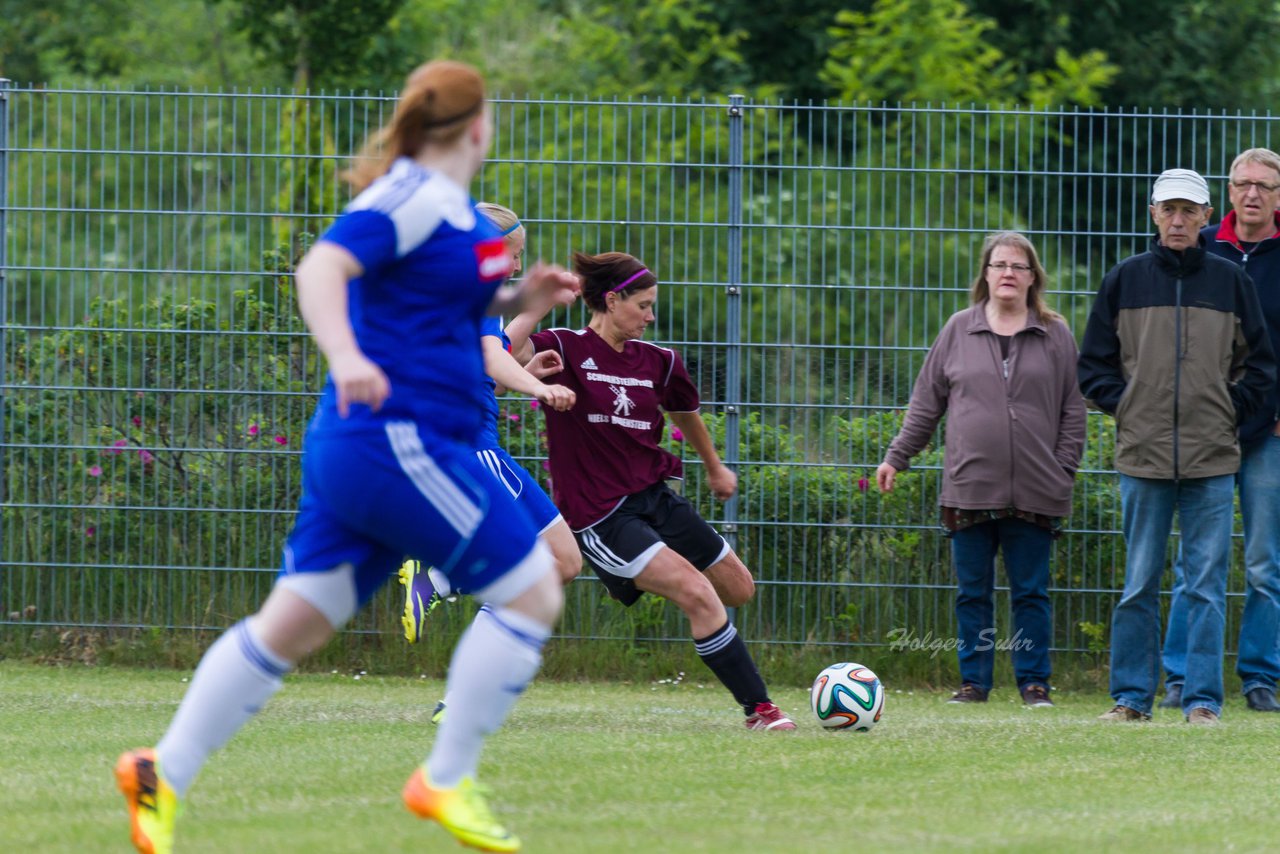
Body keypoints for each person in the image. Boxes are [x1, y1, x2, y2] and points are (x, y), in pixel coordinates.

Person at [114, 60, 581, 854]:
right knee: (537, 589)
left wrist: (523, 300)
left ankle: (162, 770)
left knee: (291, 624)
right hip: (398, 436)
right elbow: (322, 267)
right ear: (476, 126)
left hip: (363, 448)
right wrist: (345, 353)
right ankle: (444, 777)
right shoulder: (411, 196)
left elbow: (467, 310)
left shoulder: (467, 223)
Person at [513, 250, 797, 731]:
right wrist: (539, 305)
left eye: (652, 306)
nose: (651, 316)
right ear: (610, 300)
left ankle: (646, 571)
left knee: (738, 589)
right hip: (601, 513)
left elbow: (686, 413)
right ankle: (761, 710)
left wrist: (715, 467)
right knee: (698, 592)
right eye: (643, 305)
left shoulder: (660, 362)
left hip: (656, 497)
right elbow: (502, 351)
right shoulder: (563, 347)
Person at [1079, 167, 1275, 725]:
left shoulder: (1233, 283)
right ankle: (1131, 698)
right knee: (1138, 583)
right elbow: (1093, 365)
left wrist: (1227, 412)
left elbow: (1259, 366)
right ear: (1153, 214)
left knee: (1207, 587)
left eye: (1190, 210)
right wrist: (1131, 408)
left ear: (1208, 217)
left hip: (1212, 459)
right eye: (1169, 209)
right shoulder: (1124, 279)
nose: (1179, 220)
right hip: (1142, 458)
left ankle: (1202, 701)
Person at [875, 231, 1087, 708]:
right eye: (999, 265)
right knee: (973, 593)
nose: (1008, 274)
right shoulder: (958, 328)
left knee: (1031, 593)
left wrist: (1063, 468)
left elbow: (1073, 411)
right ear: (985, 275)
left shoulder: (1056, 334)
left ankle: (1034, 684)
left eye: (1018, 266)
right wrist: (896, 456)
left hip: (1038, 488)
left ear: (1033, 277)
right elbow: (926, 403)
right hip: (969, 486)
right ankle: (974, 683)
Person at [399, 202, 584, 726]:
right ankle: (439, 583)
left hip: (468, 437)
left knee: (555, 566)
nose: (513, 267)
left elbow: (493, 363)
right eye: (513, 255)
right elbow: (488, 358)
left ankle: (456, 678)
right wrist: (540, 387)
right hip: (469, 440)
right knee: (544, 566)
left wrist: (528, 354)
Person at [1159, 149, 1280, 714]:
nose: (1252, 194)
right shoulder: (1199, 250)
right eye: (1242, 184)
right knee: (1196, 563)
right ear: (1227, 194)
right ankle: (1182, 674)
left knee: (1264, 563)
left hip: (1270, 435)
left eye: (1264, 185)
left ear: (1278, 195)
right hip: (1206, 432)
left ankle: (1259, 676)